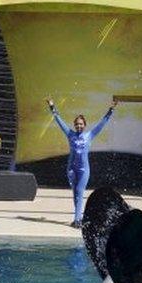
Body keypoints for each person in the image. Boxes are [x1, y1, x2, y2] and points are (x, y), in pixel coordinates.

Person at [47, 98, 117, 228]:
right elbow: (59, 121)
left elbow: (102, 123)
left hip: (84, 170)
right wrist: (52, 108)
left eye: (81, 124)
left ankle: (78, 220)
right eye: (77, 124)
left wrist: (111, 110)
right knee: (75, 193)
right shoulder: (70, 134)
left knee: (79, 191)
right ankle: (78, 217)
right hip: (71, 169)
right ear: (75, 125)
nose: (79, 126)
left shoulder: (89, 135)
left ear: (85, 125)